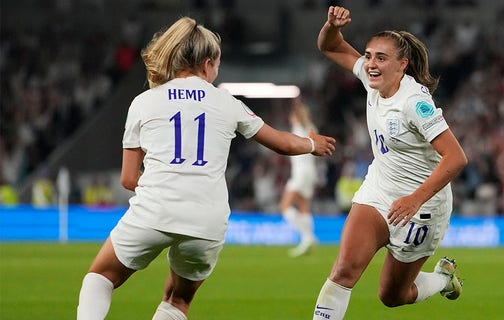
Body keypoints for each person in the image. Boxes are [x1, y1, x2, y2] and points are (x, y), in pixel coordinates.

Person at [76, 16, 336, 320]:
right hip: (207, 219)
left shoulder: (144, 102)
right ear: (207, 63)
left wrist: (165, 185)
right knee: (177, 300)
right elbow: (283, 143)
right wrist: (312, 144)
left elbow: (128, 178)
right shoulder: (226, 102)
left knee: (100, 277)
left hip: (155, 210)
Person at [312, 6, 468, 319]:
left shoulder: (414, 103)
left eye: (380, 58)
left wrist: (414, 199)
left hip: (422, 207)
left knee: (393, 295)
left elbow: (456, 157)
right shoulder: (373, 79)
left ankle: (443, 279)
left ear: (402, 65)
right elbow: (329, 46)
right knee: (343, 270)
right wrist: (331, 26)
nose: (370, 63)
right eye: (368, 55)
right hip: (379, 191)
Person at [279, 97, 320, 257]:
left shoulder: (297, 127)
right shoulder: (311, 128)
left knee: (285, 206)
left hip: (301, 172)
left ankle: (307, 237)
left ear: (295, 116)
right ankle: (308, 240)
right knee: (303, 206)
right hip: (310, 171)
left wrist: (296, 103)